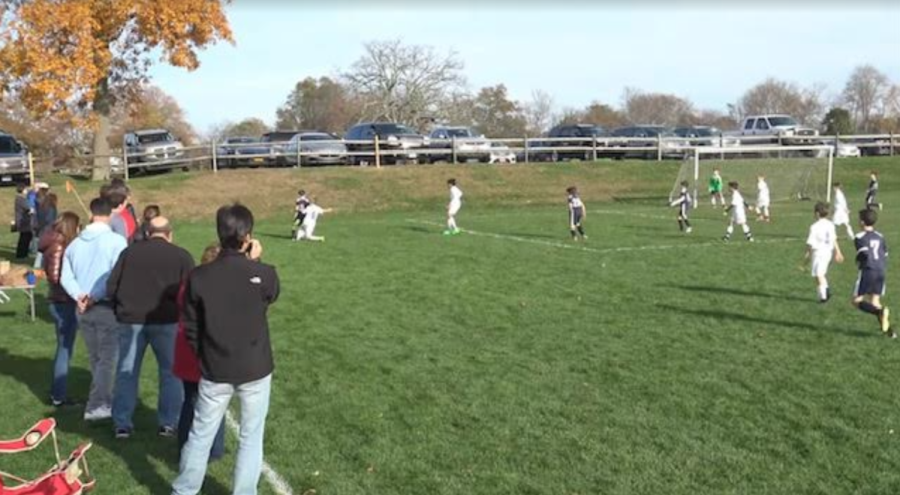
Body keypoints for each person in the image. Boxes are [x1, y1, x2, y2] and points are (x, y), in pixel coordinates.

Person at [172, 204, 280, 495]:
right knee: (249, 436)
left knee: (201, 434)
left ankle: (184, 490)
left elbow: (190, 326)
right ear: (248, 236)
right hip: (252, 367)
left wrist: (203, 354)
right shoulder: (263, 272)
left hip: (217, 368)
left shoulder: (200, 277)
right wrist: (255, 262)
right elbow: (269, 292)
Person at [107, 216, 194, 439]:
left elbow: (112, 286)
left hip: (131, 320)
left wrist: (120, 309)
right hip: (166, 321)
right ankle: (168, 422)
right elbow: (190, 293)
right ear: (169, 233)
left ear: (147, 232)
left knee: (127, 372)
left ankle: (122, 423)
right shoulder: (181, 256)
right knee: (170, 373)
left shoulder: (129, 253)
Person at [60, 197, 128, 422]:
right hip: (104, 306)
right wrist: (91, 296)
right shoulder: (116, 242)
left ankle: (103, 399)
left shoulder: (74, 244)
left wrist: (78, 295)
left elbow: (65, 277)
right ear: (110, 215)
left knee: (96, 357)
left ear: (91, 213)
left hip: (82, 307)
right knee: (107, 359)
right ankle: (97, 405)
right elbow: (113, 276)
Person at [173, 244, 226, 462]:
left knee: (192, 400)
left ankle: (193, 446)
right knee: (210, 400)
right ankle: (211, 449)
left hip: (188, 348)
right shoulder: (211, 287)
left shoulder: (191, 282)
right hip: (204, 351)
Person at [38, 212, 82, 407]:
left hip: (60, 301)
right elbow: (56, 277)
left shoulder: (54, 242)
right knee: (65, 349)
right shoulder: (59, 246)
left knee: (65, 348)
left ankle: (59, 393)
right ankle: (58, 395)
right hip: (63, 302)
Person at [852, 208, 893, 338]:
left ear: (862, 222)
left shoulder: (859, 237)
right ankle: (889, 332)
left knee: (856, 301)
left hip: (868, 271)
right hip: (881, 270)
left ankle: (880, 311)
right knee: (875, 301)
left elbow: (864, 254)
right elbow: (885, 254)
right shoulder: (880, 236)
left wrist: (858, 261)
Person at [805, 202, 844, 303]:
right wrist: (838, 252)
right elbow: (834, 239)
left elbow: (811, 242)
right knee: (819, 274)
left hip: (818, 253)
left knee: (819, 274)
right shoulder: (830, 224)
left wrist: (808, 253)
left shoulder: (814, 226)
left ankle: (824, 297)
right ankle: (826, 291)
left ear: (817, 213)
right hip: (828, 252)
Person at [33, 190, 59, 268]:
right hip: (48, 230)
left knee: (41, 249)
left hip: (42, 229)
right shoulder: (51, 208)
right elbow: (49, 219)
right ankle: (43, 264)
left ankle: (38, 264)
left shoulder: (42, 207)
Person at [13, 182, 34, 259]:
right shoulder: (21, 199)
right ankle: (21, 254)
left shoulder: (20, 198)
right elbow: (29, 208)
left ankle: (23, 254)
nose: (26, 190)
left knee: (26, 238)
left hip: (24, 221)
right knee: (24, 239)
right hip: (23, 222)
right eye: (25, 189)